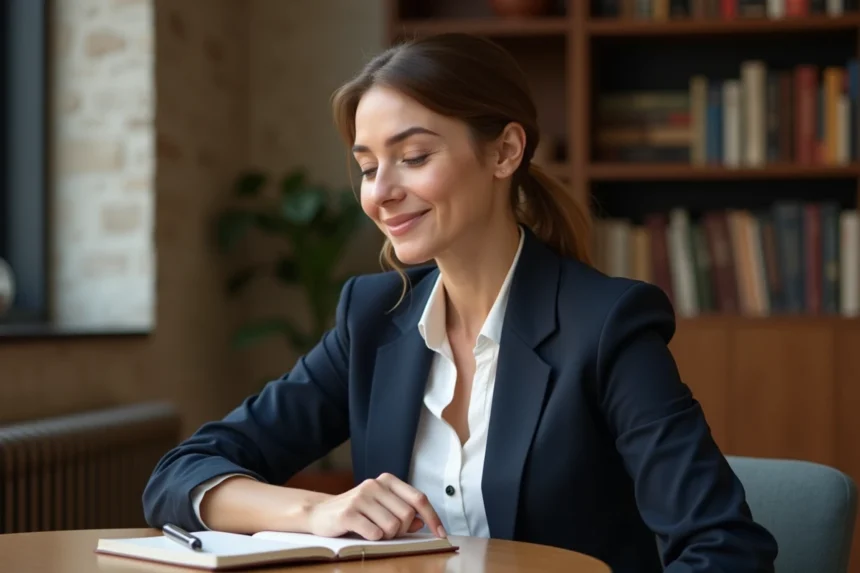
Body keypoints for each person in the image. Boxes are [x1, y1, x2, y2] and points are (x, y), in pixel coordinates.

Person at [143, 32, 778, 572]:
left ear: (505, 151)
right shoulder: (373, 319)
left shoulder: (605, 325)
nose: (381, 193)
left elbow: (724, 546)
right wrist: (315, 508)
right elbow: (181, 473)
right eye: (368, 167)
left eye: (413, 157)